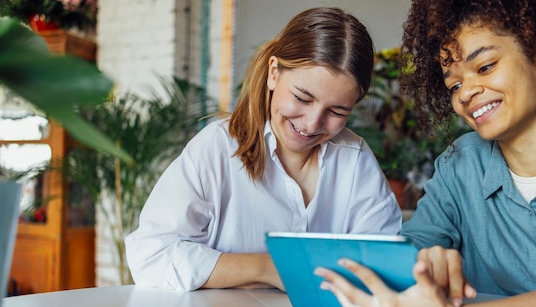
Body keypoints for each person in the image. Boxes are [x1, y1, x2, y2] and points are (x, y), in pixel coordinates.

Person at [316, 0, 536, 307]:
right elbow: (414, 247)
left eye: (485, 66)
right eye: (454, 85)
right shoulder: (459, 164)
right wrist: (426, 262)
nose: (467, 93)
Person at [125, 7, 403, 292]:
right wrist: (267, 268)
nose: (312, 123)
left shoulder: (355, 159)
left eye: (337, 111)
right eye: (302, 98)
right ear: (273, 73)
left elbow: (385, 264)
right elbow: (150, 254)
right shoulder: (218, 148)